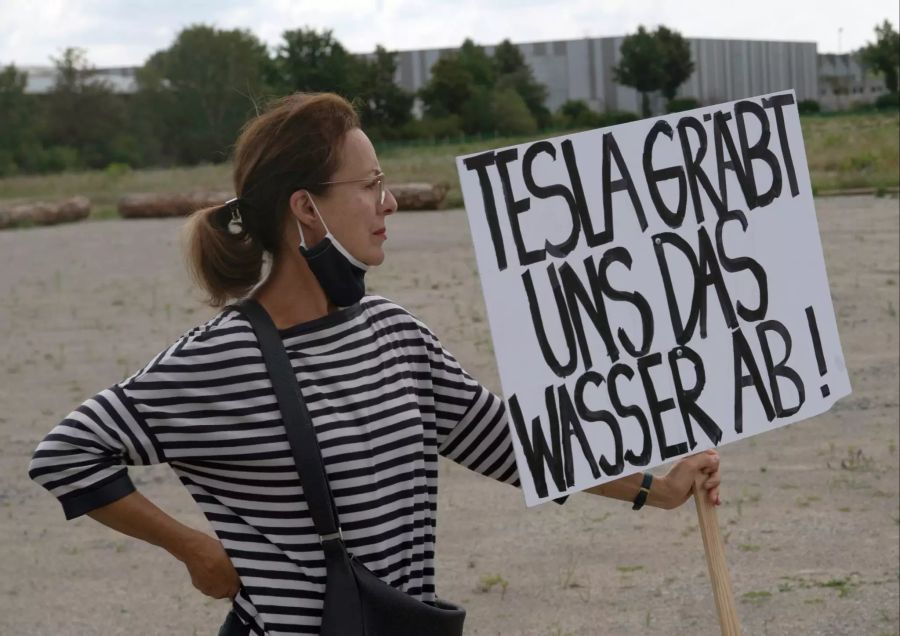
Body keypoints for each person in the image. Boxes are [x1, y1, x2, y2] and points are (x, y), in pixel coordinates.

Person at [28, 92, 722, 636]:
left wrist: (657, 489)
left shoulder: (395, 334)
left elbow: (510, 443)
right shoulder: (220, 360)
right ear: (307, 210)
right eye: (370, 184)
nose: (389, 201)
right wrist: (196, 550)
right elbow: (67, 454)